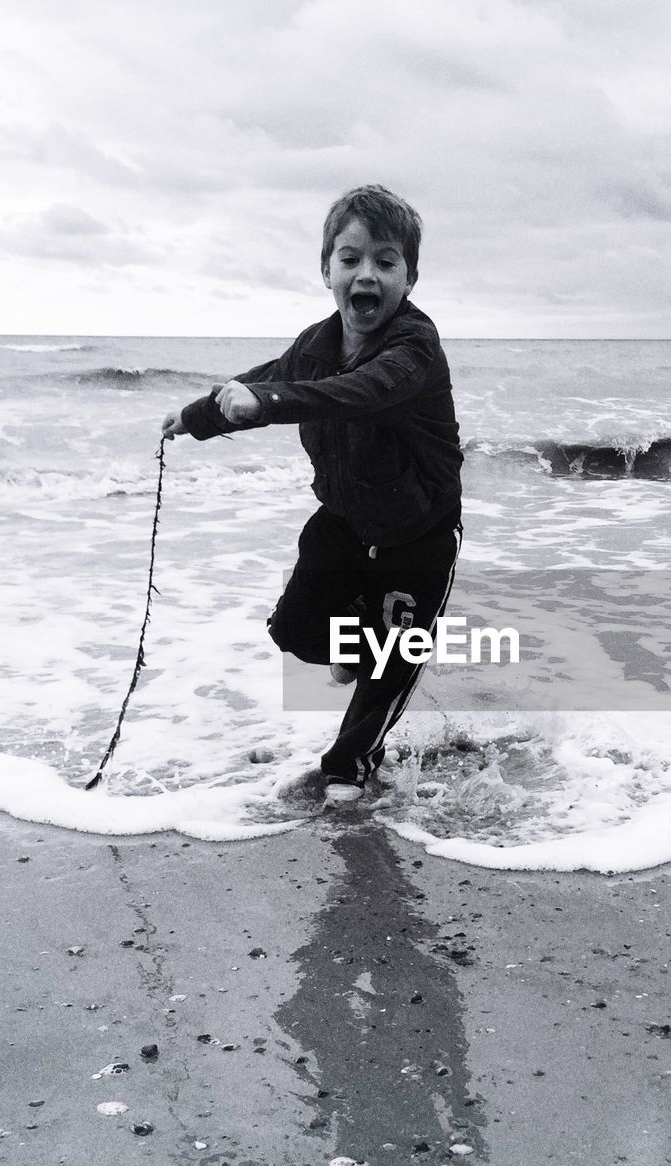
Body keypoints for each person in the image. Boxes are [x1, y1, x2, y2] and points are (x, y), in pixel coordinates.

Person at [162, 185, 463, 806]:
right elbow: (269, 379)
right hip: (345, 522)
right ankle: (361, 644)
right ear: (327, 268)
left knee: (391, 669)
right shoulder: (316, 344)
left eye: (385, 261)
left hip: (419, 536)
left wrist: (269, 405)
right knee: (296, 629)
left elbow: (360, 391)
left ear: (410, 276)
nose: (367, 274)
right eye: (350, 258)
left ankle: (349, 765)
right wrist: (194, 417)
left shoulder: (414, 348)